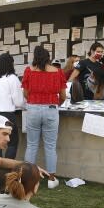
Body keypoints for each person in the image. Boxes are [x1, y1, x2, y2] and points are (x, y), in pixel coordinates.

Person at [22, 45, 66, 176]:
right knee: (51, 146)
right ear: (48, 58)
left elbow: (26, 93)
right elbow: (63, 96)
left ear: (35, 57)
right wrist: (56, 104)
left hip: (33, 109)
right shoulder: (58, 72)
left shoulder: (29, 71)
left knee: (31, 144)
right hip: (51, 108)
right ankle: (51, 178)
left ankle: (28, 176)